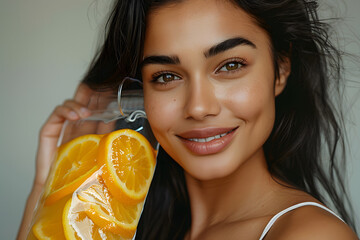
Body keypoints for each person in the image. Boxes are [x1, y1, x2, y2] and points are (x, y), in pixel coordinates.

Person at [18, 0, 359, 239]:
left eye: (230, 66)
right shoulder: (144, 226)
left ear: (281, 69)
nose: (198, 107)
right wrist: (50, 187)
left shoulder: (310, 235)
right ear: (140, 93)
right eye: (166, 76)